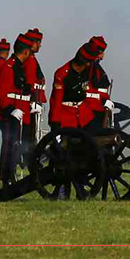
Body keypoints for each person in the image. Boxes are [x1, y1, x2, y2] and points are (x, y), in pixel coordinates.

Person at [47, 42, 101, 199]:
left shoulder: (88, 70)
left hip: (82, 113)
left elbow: (89, 90)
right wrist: (56, 124)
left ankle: (82, 183)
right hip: (66, 113)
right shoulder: (62, 73)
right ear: (83, 60)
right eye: (88, 62)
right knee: (64, 154)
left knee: (86, 150)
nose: (90, 65)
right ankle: (62, 189)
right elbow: (56, 100)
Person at [0, 33, 35, 188]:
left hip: (21, 112)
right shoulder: (9, 66)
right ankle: (6, 177)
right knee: (9, 145)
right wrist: (11, 109)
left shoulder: (19, 66)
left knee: (18, 146)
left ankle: (12, 174)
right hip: (11, 113)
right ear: (25, 52)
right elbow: (1, 91)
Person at [22, 29, 46, 157]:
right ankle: (27, 157)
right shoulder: (30, 60)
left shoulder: (31, 58)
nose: (40, 45)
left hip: (34, 99)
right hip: (32, 100)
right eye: (38, 42)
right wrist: (33, 100)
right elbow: (30, 82)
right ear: (32, 43)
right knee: (30, 134)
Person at [82, 35, 114, 133]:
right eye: (102, 52)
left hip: (98, 107)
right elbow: (86, 89)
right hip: (91, 109)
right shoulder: (88, 67)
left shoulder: (95, 67)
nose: (103, 55)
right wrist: (103, 100)